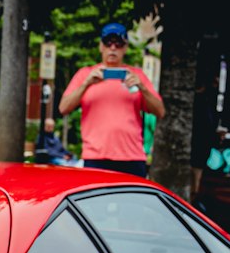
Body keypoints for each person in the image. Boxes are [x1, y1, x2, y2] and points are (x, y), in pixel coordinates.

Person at [58, 22, 165, 177]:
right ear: (101, 46)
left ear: (125, 47)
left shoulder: (136, 75)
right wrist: (86, 84)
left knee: (132, 202)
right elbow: (63, 108)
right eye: (108, 43)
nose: (113, 48)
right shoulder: (85, 74)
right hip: (95, 157)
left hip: (132, 157)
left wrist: (141, 87)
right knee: (93, 201)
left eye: (118, 43)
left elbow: (160, 111)